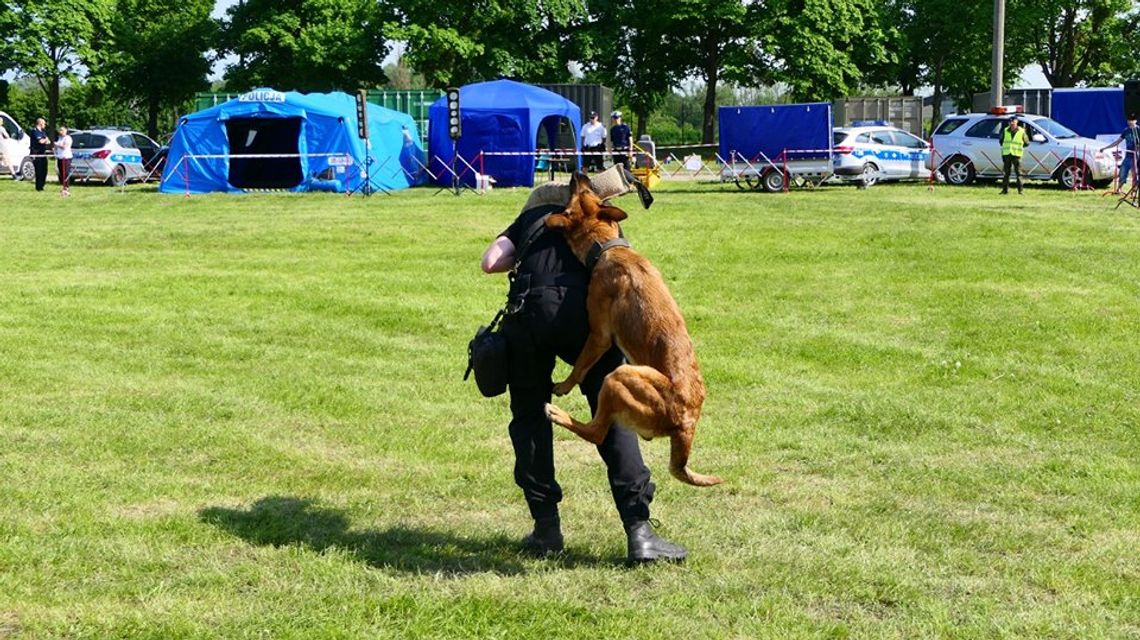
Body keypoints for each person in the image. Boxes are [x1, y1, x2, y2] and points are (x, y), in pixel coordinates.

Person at [480, 169, 686, 564]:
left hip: (528, 315)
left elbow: (490, 262)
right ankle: (640, 533)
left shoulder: (531, 217)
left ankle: (546, 529)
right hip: (587, 321)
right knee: (613, 417)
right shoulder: (601, 217)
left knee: (529, 417)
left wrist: (527, 249)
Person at [1100, 114, 1140, 194]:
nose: (1130, 122)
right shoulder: (1126, 131)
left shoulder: (1138, 130)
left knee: (1135, 174)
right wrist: (1105, 148)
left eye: (1132, 120)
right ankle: (1119, 189)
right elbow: (1117, 142)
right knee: (1122, 172)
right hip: (1128, 156)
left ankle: (1133, 191)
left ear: (1135, 121)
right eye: (1129, 120)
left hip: (1136, 156)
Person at [999, 117, 1030, 195]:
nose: (1012, 123)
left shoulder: (1021, 131)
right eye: (1010, 122)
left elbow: (1026, 143)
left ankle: (1020, 191)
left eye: (1013, 122)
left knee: (1019, 173)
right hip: (1007, 154)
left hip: (1017, 155)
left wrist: (1019, 146)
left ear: (1017, 122)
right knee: (1006, 173)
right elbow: (1001, 141)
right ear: (1008, 123)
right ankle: (1004, 190)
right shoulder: (1005, 130)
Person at [29, 118, 52, 192]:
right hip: (36, 154)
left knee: (44, 170)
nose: (45, 125)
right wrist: (45, 140)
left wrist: (45, 140)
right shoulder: (34, 131)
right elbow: (41, 141)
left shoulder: (43, 131)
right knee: (39, 171)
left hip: (43, 153)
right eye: (44, 123)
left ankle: (42, 186)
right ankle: (38, 187)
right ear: (40, 123)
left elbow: (48, 141)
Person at [53, 126, 72, 196]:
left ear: (66, 131)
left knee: (65, 173)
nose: (61, 132)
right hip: (60, 157)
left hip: (66, 157)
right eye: (60, 130)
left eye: (62, 130)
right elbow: (56, 146)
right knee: (61, 173)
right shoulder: (60, 138)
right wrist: (55, 148)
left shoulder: (68, 138)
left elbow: (64, 147)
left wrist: (56, 144)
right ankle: (63, 187)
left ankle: (66, 187)